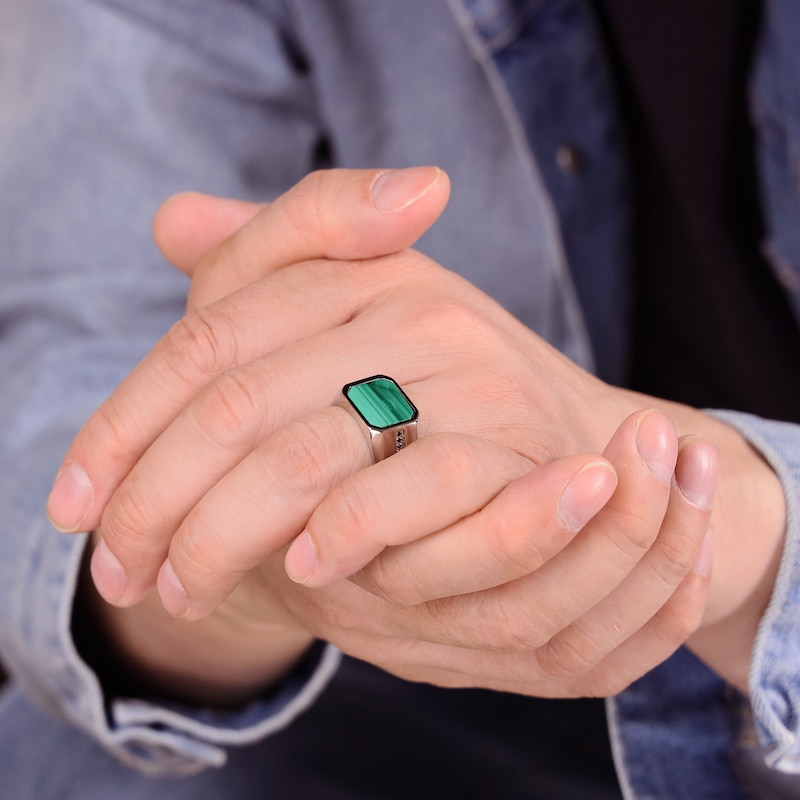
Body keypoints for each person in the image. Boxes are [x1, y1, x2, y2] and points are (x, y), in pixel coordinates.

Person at [1, 1, 799, 798]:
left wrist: (725, 521)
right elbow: (73, 373)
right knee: (58, 767)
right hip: (428, 674)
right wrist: (238, 567)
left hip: (758, 603)